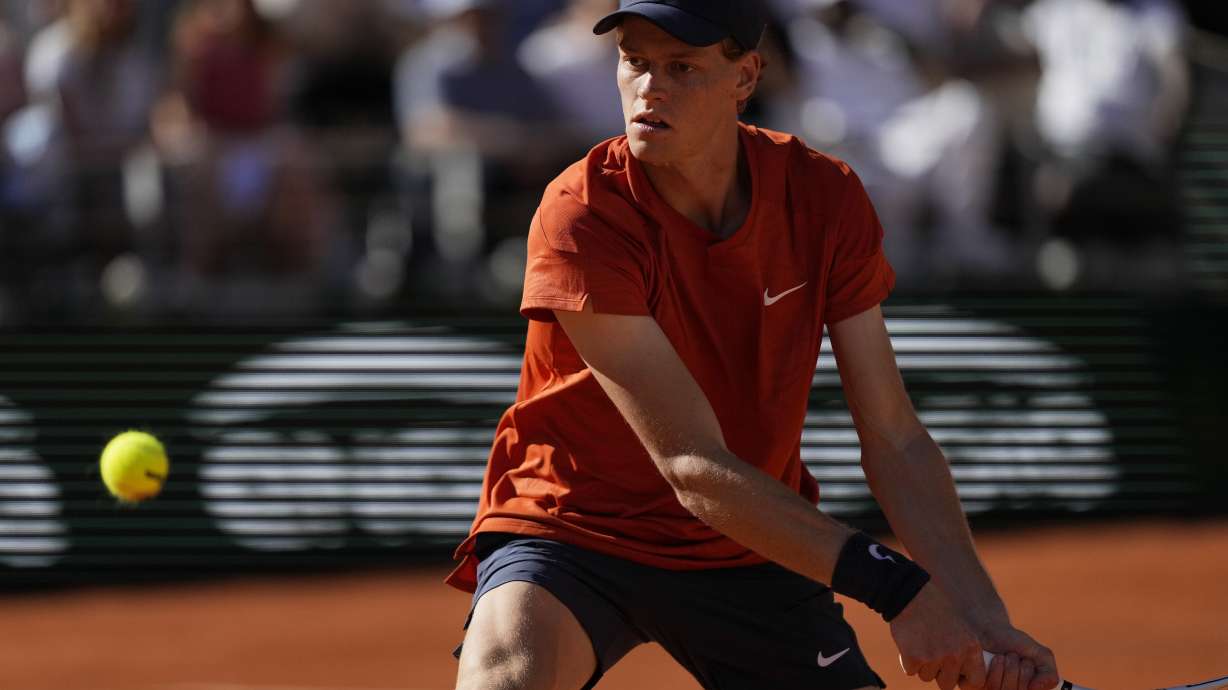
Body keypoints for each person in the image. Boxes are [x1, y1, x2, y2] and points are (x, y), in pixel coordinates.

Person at [446, 2, 1060, 689]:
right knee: (503, 679)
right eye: (635, 62)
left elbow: (895, 437)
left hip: (747, 543)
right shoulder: (582, 212)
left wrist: (982, 618)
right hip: (574, 531)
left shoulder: (823, 197)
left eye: (681, 68)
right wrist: (898, 589)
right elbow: (691, 464)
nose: (650, 88)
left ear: (745, 77)